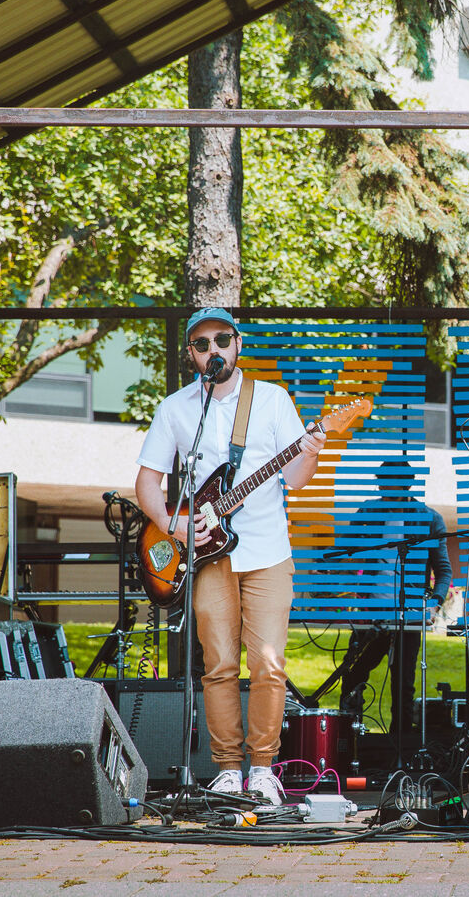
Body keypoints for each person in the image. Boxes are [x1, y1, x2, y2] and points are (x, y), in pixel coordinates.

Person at [135, 307, 326, 804]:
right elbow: (147, 483)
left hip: (266, 551)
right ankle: (225, 769)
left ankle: (262, 768)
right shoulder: (176, 409)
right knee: (217, 664)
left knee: (268, 663)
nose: (213, 350)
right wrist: (174, 524)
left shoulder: (273, 400)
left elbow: (297, 479)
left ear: (237, 344)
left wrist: (311, 450)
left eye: (222, 339)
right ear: (192, 356)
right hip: (207, 555)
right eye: (202, 344)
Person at [333, 461, 453, 735]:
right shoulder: (367, 512)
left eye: (389, 481)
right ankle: (350, 740)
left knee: (403, 684)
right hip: (370, 612)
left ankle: (400, 744)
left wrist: (434, 602)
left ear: (406, 484)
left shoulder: (430, 519)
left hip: (408, 613)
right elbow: (347, 552)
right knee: (352, 675)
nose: (383, 487)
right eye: (381, 481)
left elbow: (443, 571)